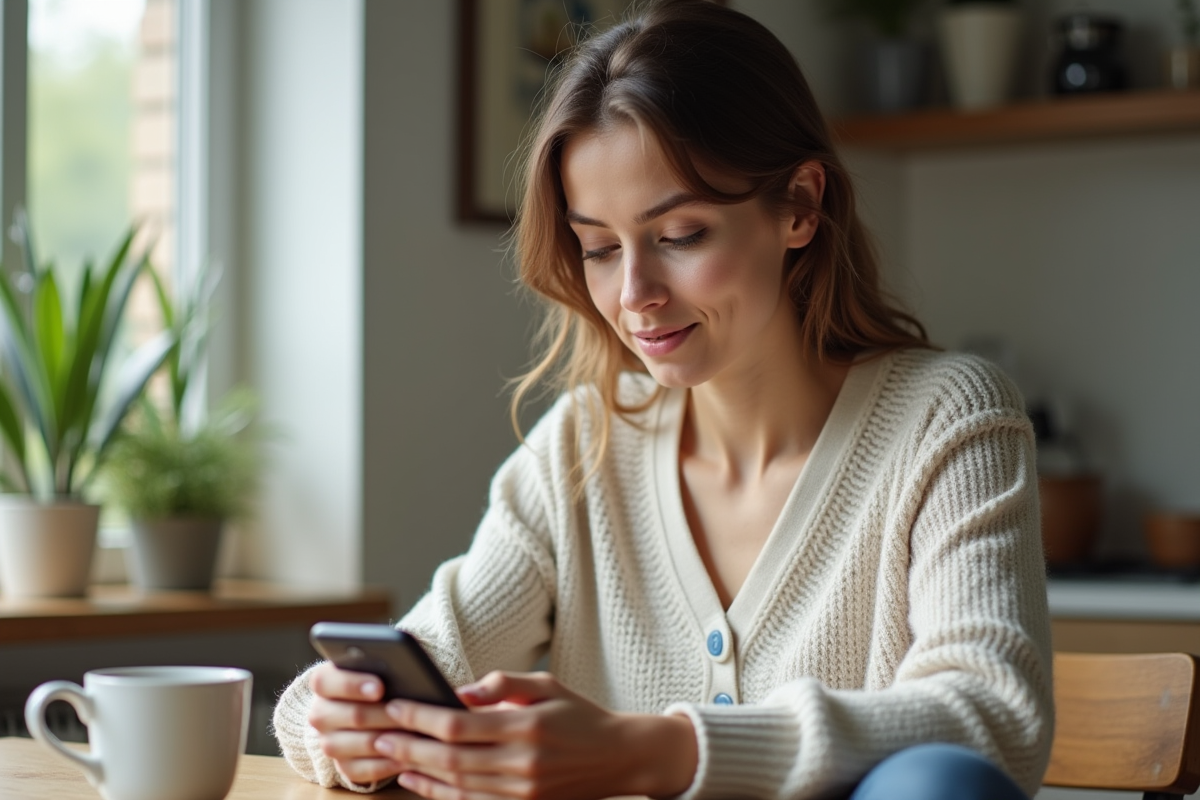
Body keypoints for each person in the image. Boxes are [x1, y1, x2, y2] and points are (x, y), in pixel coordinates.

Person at [272, 2, 1053, 798]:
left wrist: (649, 752)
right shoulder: (584, 445)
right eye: (601, 249)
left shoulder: (945, 417)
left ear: (800, 206)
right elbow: (384, 671)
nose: (635, 294)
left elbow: (992, 715)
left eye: (680, 235)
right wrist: (351, 725)